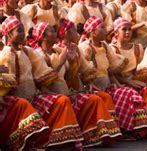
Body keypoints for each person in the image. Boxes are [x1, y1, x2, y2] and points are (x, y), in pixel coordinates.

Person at [31, 21, 122, 147]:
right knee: (64, 101)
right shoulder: (37, 54)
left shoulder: (58, 51)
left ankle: (94, 137)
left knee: (94, 99)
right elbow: (41, 81)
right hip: (46, 96)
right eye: (51, 31)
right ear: (43, 37)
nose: (55, 33)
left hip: (65, 92)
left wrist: (72, 62)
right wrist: (61, 62)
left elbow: (70, 79)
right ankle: (64, 140)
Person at [0, 16, 84, 149]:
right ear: (9, 34)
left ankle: (61, 140)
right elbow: (5, 84)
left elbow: (43, 74)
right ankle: (33, 142)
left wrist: (63, 61)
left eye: (23, 30)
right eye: (19, 31)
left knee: (62, 101)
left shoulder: (28, 51)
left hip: (33, 96)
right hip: (13, 99)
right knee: (23, 104)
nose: (23, 34)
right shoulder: (4, 54)